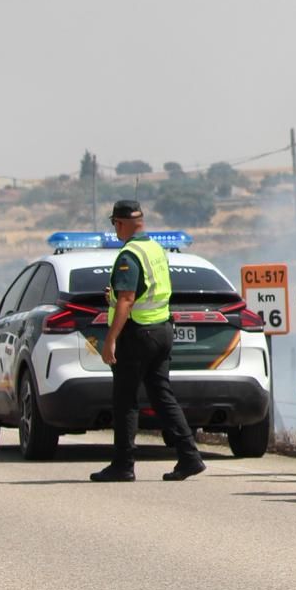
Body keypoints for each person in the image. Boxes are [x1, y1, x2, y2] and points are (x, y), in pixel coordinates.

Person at [90, 200, 206, 483]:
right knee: (162, 396)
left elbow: (127, 300)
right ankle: (189, 456)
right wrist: (115, 296)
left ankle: (123, 465)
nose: (115, 229)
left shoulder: (129, 255)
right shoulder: (155, 249)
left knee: (125, 400)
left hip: (137, 334)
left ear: (120, 223)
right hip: (162, 329)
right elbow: (145, 291)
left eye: (115, 224)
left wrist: (110, 340)